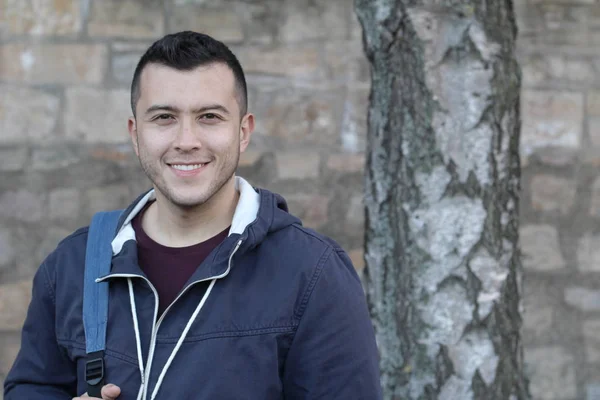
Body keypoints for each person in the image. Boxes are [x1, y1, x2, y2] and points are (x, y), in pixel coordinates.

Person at [4, 31, 382, 400]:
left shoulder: (313, 274)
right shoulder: (74, 264)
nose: (186, 141)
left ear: (243, 131)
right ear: (135, 134)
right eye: (164, 117)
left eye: (210, 117)